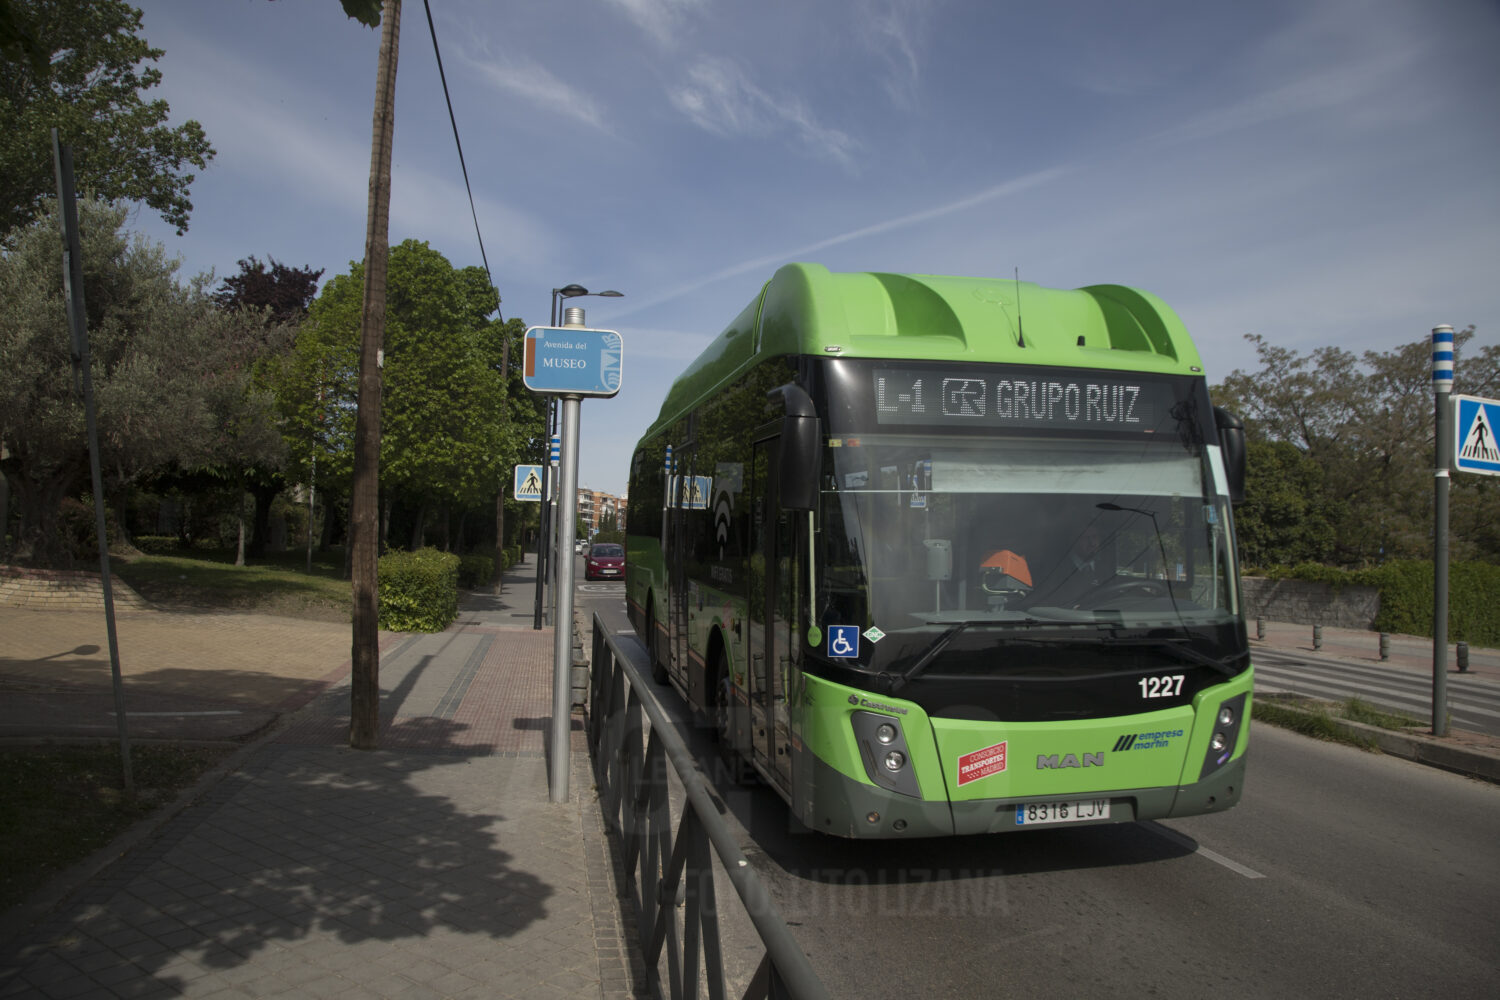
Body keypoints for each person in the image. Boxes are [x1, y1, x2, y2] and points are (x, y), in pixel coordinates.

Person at [1027, 521, 1108, 609]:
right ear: (1073, 540)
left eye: (1095, 537)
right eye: (1086, 538)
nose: (1092, 543)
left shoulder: (1106, 569)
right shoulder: (1053, 570)